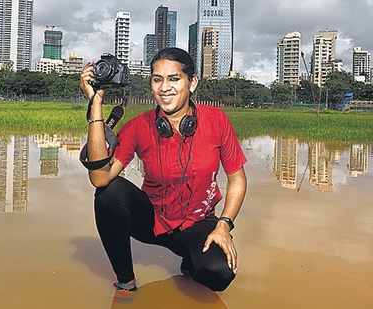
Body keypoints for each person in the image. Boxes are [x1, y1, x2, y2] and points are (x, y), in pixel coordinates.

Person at [79, 47, 247, 293]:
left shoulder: (217, 120)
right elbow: (99, 177)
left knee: (219, 274)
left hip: (197, 222)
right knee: (109, 192)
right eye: (157, 79)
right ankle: (126, 281)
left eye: (174, 79)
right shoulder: (139, 126)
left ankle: (190, 263)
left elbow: (237, 179)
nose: (164, 87)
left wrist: (224, 224)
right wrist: (96, 103)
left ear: (192, 83)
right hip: (152, 220)